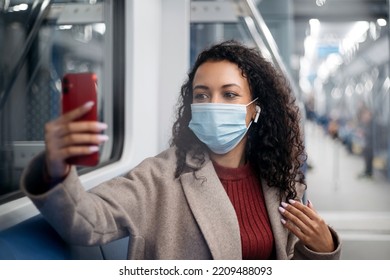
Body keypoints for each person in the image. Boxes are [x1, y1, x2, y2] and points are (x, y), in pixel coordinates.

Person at [21, 40, 341, 260]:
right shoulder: (159, 177)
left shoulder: (282, 181)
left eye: (229, 95)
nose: (212, 105)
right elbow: (84, 222)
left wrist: (323, 248)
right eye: (202, 96)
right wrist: (56, 166)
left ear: (255, 110)